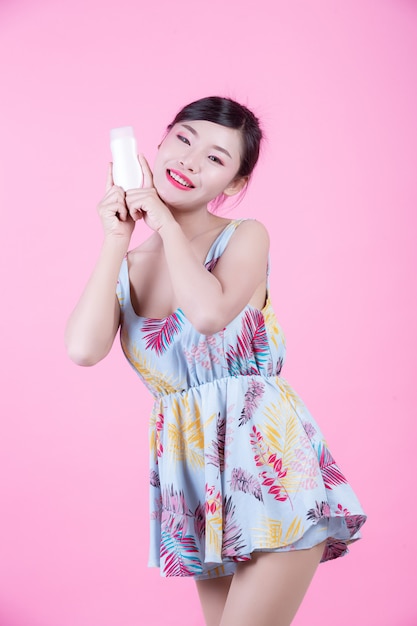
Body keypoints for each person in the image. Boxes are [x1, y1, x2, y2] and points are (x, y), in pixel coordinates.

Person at [65, 96, 366, 626]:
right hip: (198, 482)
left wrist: (163, 222)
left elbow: (208, 314)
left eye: (216, 158)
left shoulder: (244, 236)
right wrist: (118, 236)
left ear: (231, 184)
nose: (189, 160)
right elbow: (83, 349)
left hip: (270, 469)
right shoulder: (129, 262)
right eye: (183, 140)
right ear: (155, 146)